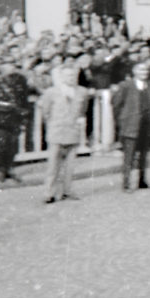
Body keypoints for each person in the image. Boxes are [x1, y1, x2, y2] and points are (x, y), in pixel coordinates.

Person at [39, 66, 91, 203]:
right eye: (68, 76)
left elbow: (83, 110)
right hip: (57, 131)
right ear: (61, 77)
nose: (71, 78)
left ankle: (67, 191)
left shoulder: (82, 92)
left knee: (70, 165)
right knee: (53, 165)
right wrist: (54, 124)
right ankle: (49, 193)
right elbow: (46, 112)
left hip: (73, 131)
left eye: (74, 75)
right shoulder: (51, 92)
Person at [0, 60, 31, 183]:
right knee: (0, 144)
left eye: (12, 65)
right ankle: (4, 168)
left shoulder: (21, 79)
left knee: (13, 144)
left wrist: (25, 115)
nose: (9, 68)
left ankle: (8, 168)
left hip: (15, 116)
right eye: (6, 65)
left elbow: (24, 98)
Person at [112, 62, 150, 192]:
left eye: (146, 70)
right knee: (129, 156)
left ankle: (142, 181)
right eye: (141, 70)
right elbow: (116, 105)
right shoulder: (126, 85)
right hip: (131, 125)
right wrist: (122, 120)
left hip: (146, 125)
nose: (145, 72)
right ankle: (126, 183)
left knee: (143, 155)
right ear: (134, 71)